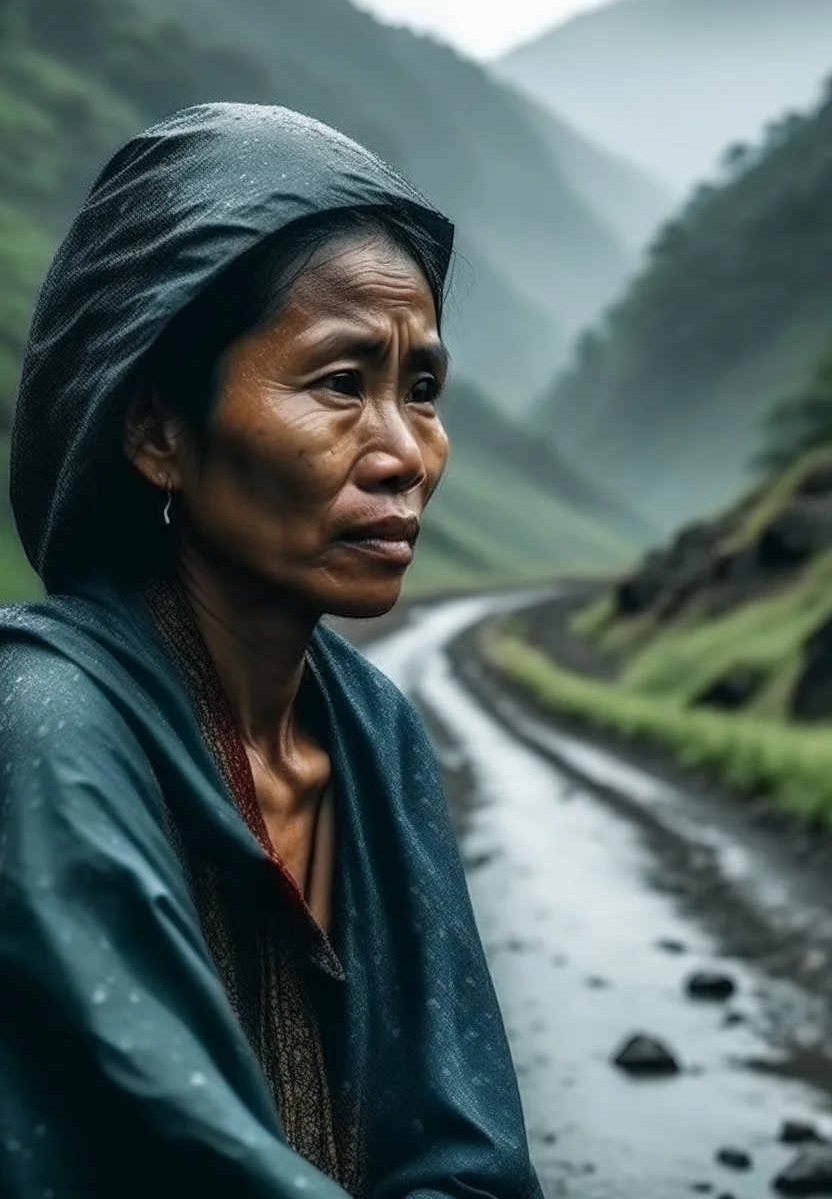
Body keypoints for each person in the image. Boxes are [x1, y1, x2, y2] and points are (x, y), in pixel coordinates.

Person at [0, 103, 543, 1199]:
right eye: (341, 383)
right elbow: (170, 1145)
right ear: (157, 430)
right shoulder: (45, 722)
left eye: (422, 389)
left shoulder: (375, 732)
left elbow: (464, 1142)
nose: (405, 453)